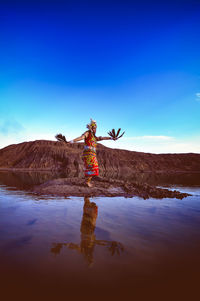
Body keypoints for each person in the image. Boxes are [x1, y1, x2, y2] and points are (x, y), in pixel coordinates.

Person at [68, 119, 115, 187]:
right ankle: (87, 182)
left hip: (92, 154)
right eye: (94, 128)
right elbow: (81, 137)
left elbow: (102, 138)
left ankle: (87, 181)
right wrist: (72, 141)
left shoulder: (94, 137)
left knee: (94, 167)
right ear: (91, 128)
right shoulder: (88, 133)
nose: (95, 129)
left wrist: (111, 138)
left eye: (96, 128)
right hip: (88, 154)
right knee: (92, 167)